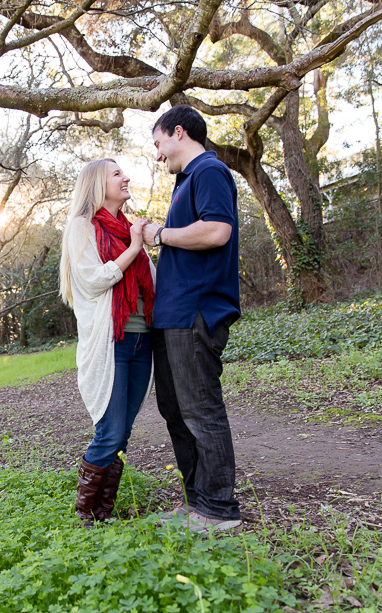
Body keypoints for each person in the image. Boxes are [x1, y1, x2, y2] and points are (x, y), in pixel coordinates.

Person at [141, 105, 243, 533]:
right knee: (175, 411)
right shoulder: (185, 181)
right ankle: (197, 504)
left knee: (200, 410)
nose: (158, 155)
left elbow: (217, 230)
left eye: (159, 143)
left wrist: (160, 235)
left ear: (178, 132)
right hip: (171, 316)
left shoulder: (209, 172)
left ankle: (219, 510)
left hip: (197, 312)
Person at [59, 158, 155, 526]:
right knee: (110, 429)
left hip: (140, 340)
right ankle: (84, 511)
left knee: (123, 431)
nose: (125, 177)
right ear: (98, 184)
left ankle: (104, 510)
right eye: (117, 173)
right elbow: (93, 280)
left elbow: (149, 283)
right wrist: (133, 248)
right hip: (110, 341)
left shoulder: (127, 227)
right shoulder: (82, 227)